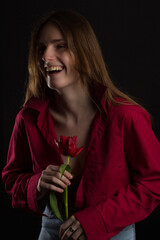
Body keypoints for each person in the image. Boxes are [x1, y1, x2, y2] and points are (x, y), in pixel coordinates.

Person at [2, 9, 160, 240]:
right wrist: (36, 184)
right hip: (52, 230)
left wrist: (96, 220)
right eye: (41, 48)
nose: (46, 56)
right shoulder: (27, 119)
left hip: (113, 231)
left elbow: (154, 182)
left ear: (85, 52)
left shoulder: (126, 116)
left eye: (60, 46)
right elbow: (11, 178)